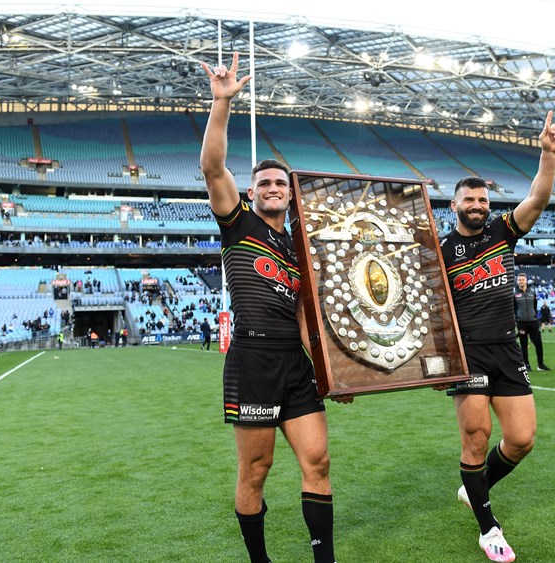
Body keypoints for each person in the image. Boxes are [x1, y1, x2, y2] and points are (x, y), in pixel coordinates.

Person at [201, 53, 338, 563]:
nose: (273, 189)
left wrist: (330, 372)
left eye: (281, 184)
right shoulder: (237, 224)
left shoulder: (300, 248)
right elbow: (213, 167)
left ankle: (324, 558)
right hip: (252, 362)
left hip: (294, 365)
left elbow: (307, 315)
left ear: (290, 194)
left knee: (318, 462)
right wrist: (222, 104)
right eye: (264, 184)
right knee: (255, 471)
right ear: (252, 192)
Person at [440, 110, 555, 562]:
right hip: (467, 352)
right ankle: (488, 528)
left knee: (522, 439)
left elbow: (539, 196)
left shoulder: (503, 231)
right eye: (469, 199)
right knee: (476, 436)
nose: (477, 204)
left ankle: (474, 489)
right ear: (454, 205)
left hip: (506, 347)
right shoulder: (440, 251)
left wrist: (547, 154)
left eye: (482, 199)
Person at [514, 273, 550, 372]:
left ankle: (540, 364)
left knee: (538, 343)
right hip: (522, 323)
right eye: (519, 280)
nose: (521, 281)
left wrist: (533, 316)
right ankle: (526, 365)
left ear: (526, 281)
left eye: (523, 279)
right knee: (524, 345)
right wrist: (517, 319)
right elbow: (514, 308)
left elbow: (534, 306)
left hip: (533, 321)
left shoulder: (532, 293)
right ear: (517, 282)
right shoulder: (515, 294)